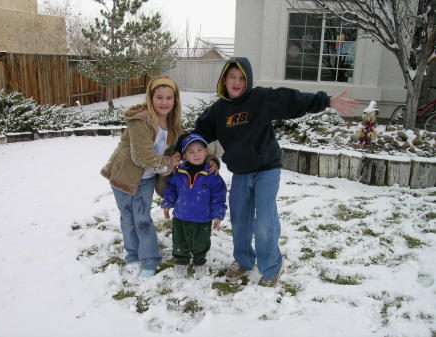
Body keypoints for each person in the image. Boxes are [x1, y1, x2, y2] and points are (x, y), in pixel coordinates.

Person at [187, 56, 359, 287]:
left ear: (247, 80)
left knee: (264, 222)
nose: (237, 82)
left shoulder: (260, 99)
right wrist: (181, 150)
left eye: (241, 78)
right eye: (232, 77)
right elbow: (197, 136)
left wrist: (325, 101)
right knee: (239, 219)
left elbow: (291, 100)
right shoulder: (218, 111)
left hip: (267, 169)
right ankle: (244, 261)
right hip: (241, 172)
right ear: (224, 80)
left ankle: (272, 266)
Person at [100, 76, 182, 279]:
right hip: (123, 176)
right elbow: (142, 156)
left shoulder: (173, 123)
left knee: (142, 219)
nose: (164, 102)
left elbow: (183, 145)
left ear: (175, 99)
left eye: (169, 97)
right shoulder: (141, 120)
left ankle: (150, 259)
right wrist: (169, 163)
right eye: (159, 97)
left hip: (146, 180)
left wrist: (208, 158)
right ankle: (133, 254)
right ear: (150, 98)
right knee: (127, 218)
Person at [162, 133, 227, 279]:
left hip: (202, 218)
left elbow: (218, 197)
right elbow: (171, 189)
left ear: (206, 152)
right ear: (184, 156)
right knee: (180, 241)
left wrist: (218, 214)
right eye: (190, 151)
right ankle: (181, 261)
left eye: (199, 150)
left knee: (201, 243)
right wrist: (167, 204)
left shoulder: (212, 175)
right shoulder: (178, 172)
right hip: (181, 216)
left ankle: (199, 262)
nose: (196, 154)